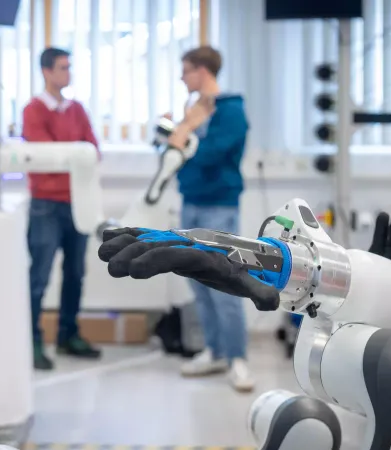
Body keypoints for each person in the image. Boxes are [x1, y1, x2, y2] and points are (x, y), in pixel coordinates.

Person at [168, 46, 254, 391]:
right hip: (192, 202)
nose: (182, 77)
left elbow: (206, 154)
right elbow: (177, 151)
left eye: (186, 70)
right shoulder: (194, 110)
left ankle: (237, 359)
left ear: (202, 71)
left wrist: (185, 133)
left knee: (224, 281)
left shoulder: (230, 111)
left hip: (219, 205)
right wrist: (184, 132)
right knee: (198, 280)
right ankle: (216, 351)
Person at [22, 47, 101, 370]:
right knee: (38, 277)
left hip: (77, 203)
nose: (68, 73)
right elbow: (44, 158)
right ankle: (32, 341)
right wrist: (73, 156)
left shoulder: (77, 110)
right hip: (46, 205)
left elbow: (93, 152)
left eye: (70, 67)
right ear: (46, 71)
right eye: (62, 67)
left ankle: (69, 335)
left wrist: (69, 156)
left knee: (76, 273)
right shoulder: (33, 110)